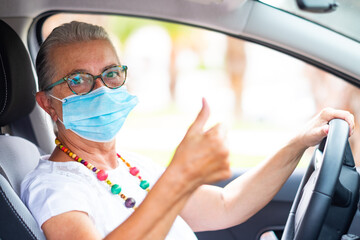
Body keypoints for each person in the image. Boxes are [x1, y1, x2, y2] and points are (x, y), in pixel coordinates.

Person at [21, 21, 355, 240]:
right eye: (77, 81)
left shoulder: (129, 165)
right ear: (48, 103)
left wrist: (297, 143)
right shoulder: (54, 186)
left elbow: (227, 204)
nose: (101, 89)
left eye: (110, 73)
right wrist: (178, 178)